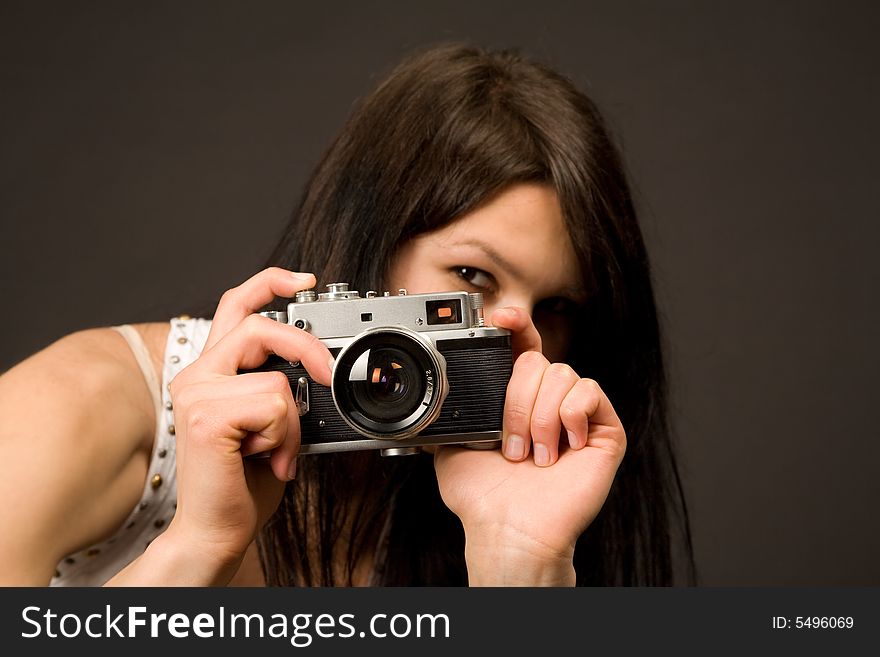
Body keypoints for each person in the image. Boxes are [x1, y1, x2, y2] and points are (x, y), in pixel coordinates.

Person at [0, 43, 694, 586]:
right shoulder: (79, 403)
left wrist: (518, 561)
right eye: (471, 278)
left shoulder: (465, 489)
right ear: (363, 248)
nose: (514, 334)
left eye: (559, 307)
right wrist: (199, 544)